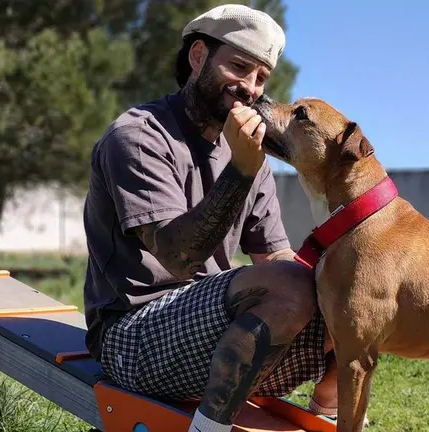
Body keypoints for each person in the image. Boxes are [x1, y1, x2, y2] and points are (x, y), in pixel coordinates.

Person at [81, 5, 339, 431]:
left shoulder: (246, 153)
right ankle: (208, 427)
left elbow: (275, 256)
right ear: (198, 56)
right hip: (133, 337)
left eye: (261, 78)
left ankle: (326, 412)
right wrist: (240, 170)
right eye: (239, 67)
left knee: (358, 294)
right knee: (296, 285)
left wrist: (337, 286)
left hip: (213, 336)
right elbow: (178, 259)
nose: (251, 89)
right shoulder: (139, 136)